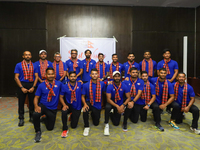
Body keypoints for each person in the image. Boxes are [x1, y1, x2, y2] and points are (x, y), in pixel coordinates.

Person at [33, 67, 62, 142]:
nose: (51, 75)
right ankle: (38, 131)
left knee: (50, 128)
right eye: (49, 74)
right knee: (35, 114)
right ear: (45, 75)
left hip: (52, 109)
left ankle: (44, 118)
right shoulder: (41, 85)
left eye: (52, 74)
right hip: (43, 106)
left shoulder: (59, 84)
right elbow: (36, 97)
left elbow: (68, 87)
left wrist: (79, 82)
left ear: (54, 75)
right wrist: (36, 106)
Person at [14, 51, 38, 126]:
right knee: (21, 103)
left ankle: (31, 117)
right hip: (22, 84)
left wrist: (33, 87)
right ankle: (21, 119)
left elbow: (37, 77)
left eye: (29, 55)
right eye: (26, 55)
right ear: (23, 56)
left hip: (31, 84)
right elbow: (16, 77)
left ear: (31, 56)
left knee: (32, 103)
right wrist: (21, 87)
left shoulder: (34, 65)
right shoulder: (18, 65)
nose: (28, 56)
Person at [104, 71, 131, 135]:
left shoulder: (124, 85)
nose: (117, 78)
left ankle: (124, 122)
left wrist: (123, 105)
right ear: (113, 77)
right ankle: (106, 123)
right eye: (115, 76)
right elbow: (108, 99)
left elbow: (128, 97)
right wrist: (117, 106)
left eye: (118, 76)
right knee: (107, 107)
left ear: (120, 77)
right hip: (112, 103)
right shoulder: (110, 85)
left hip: (120, 103)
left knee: (116, 123)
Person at [82, 68, 106, 136]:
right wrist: (84, 104)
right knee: (85, 110)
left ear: (98, 75)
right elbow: (83, 96)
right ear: (90, 75)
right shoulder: (86, 85)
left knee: (96, 123)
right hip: (89, 102)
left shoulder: (102, 84)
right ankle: (86, 126)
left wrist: (102, 104)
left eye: (96, 74)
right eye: (93, 74)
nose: (94, 75)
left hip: (97, 103)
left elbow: (104, 94)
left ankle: (93, 113)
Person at [60, 71, 82, 138]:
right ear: (68, 77)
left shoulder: (80, 84)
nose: (73, 78)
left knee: (73, 126)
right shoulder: (64, 86)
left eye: (74, 76)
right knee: (63, 112)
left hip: (77, 105)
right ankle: (64, 128)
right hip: (68, 104)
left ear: (76, 77)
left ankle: (72, 115)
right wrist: (64, 105)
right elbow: (61, 97)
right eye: (71, 76)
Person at [157, 49, 178, 114]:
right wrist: (164, 79)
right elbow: (158, 72)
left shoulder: (174, 62)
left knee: (170, 95)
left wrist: (171, 79)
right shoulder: (160, 63)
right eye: (165, 53)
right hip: (162, 81)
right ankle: (160, 108)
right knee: (161, 94)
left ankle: (168, 108)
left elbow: (176, 71)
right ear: (163, 55)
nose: (167, 55)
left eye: (168, 53)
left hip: (172, 81)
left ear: (170, 54)